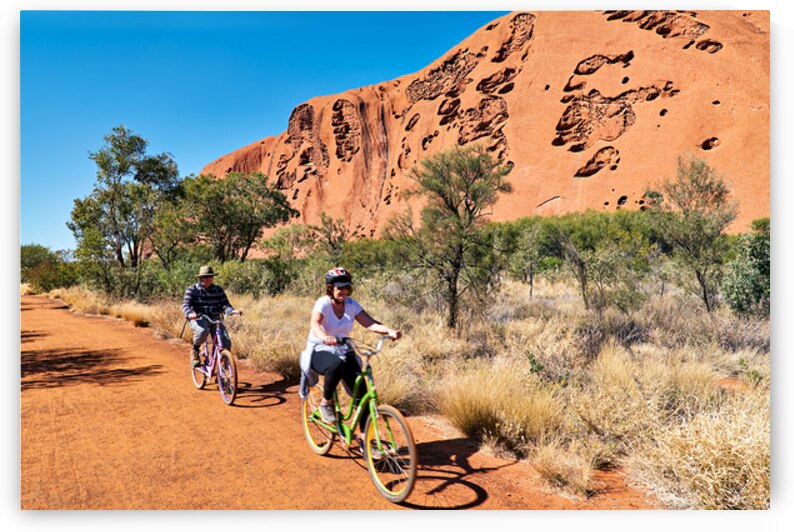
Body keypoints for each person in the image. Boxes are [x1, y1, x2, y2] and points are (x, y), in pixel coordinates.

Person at [299, 267, 401, 452]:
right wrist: (324, 337)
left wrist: (389, 331)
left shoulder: (351, 305)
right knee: (336, 364)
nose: (343, 291)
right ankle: (325, 402)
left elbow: (369, 322)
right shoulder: (323, 303)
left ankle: (364, 440)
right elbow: (314, 323)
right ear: (330, 288)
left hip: (344, 348)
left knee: (362, 392)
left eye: (346, 287)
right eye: (339, 287)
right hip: (320, 349)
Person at [182, 266, 242, 366]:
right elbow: (186, 305)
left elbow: (225, 304)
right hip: (199, 318)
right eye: (206, 277)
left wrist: (231, 311)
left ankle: (222, 369)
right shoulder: (192, 289)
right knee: (202, 331)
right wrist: (190, 313)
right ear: (200, 278)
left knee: (225, 342)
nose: (209, 279)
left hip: (215, 318)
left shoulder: (217, 290)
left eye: (210, 277)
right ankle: (195, 350)